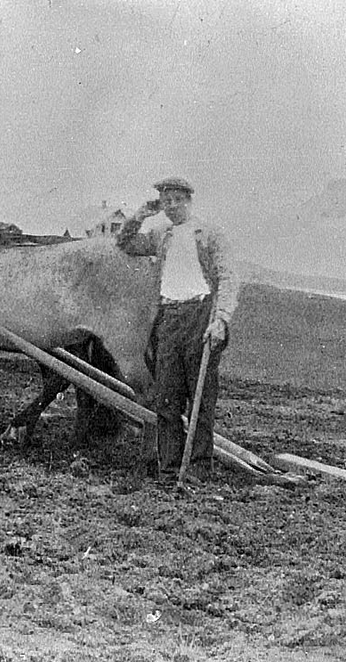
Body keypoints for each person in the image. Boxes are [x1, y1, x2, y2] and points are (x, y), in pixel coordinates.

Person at [115, 176, 239, 485]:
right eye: (166, 201)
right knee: (167, 398)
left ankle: (197, 468)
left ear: (188, 200)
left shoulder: (208, 234)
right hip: (169, 318)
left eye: (177, 200)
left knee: (201, 397)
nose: (172, 206)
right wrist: (140, 215)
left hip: (201, 316)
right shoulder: (161, 233)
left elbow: (228, 277)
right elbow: (125, 243)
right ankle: (168, 470)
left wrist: (220, 319)